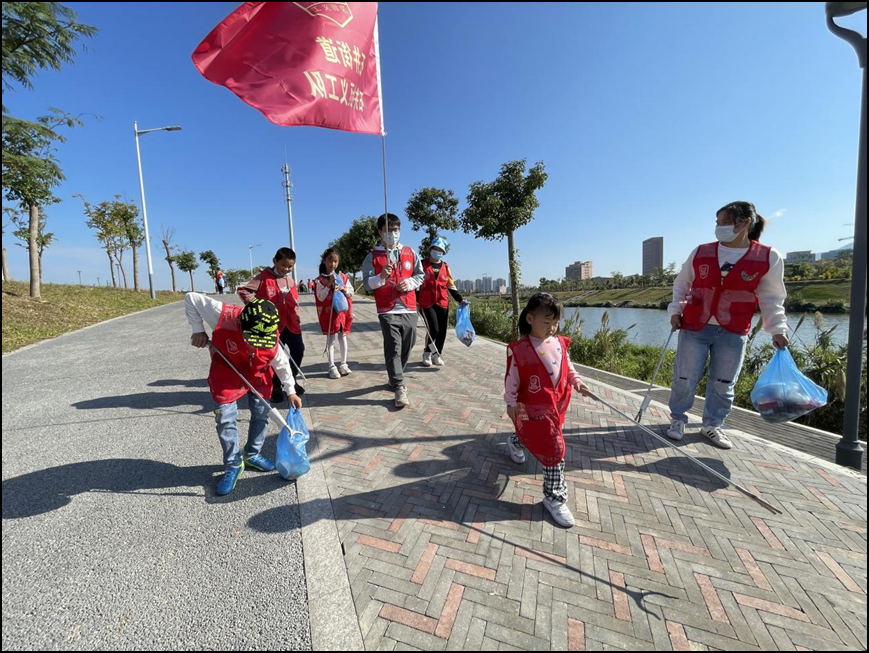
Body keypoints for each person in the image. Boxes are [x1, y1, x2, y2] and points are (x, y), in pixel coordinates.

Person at [666, 200, 788, 449]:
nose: (719, 227)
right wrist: (676, 310)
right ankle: (677, 419)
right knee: (684, 377)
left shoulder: (767, 257)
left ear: (745, 223)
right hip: (694, 325)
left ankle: (712, 424)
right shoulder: (701, 251)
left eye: (726, 223)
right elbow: (682, 283)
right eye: (717, 222)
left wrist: (778, 329)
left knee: (723, 381)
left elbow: (772, 296)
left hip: (733, 328)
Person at [185, 294, 302, 496]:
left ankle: (252, 453)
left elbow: (282, 366)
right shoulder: (222, 314)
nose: (256, 345)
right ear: (241, 322)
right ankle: (233, 464)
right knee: (225, 418)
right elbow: (190, 298)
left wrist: (290, 390)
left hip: (258, 374)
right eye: (252, 339)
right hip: (227, 372)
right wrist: (198, 330)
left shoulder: (270, 335)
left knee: (261, 414)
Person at [505, 293, 590, 528]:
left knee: (536, 436)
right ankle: (554, 497)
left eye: (556, 322)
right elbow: (512, 379)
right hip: (528, 406)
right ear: (530, 318)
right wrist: (511, 404)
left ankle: (515, 441)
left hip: (555, 405)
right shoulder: (520, 349)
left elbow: (568, 365)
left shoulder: (560, 343)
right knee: (555, 450)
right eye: (547, 322)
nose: (552, 328)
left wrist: (577, 381)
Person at [361, 212, 425, 408]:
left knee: (409, 343)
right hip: (387, 309)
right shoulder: (372, 256)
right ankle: (399, 386)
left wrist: (409, 283)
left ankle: (394, 375)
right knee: (393, 347)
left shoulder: (410, 252)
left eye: (395, 230)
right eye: (388, 230)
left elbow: (420, 275)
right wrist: (381, 276)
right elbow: (366, 284)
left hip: (409, 306)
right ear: (380, 232)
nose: (392, 233)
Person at [238, 248, 305, 402]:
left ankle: (291, 381)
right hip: (272, 326)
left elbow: (294, 301)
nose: (287, 269)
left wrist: (298, 316)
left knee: (298, 350)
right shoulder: (262, 277)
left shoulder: (290, 280)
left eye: (290, 267)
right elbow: (242, 289)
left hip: (291, 324)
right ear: (274, 261)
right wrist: (257, 306)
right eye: (284, 266)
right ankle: (275, 387)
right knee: (274, 356)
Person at [417, 236, 465, 367]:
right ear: (430, 249)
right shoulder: (421, 264)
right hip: (426, 303)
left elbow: (451, 285)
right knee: (434, 329)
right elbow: (416, 284)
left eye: (440, 250)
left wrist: (460, 299)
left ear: (443, 253)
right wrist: (415, 300)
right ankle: (427, 353)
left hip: (442, 302)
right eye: (435, 249)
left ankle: (436, 354)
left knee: (442, 331)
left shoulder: (445, 266)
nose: (437, 251)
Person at [315, 248, 354, 379]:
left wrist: (343, 288)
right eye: (330, 261)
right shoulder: (319, 280)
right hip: (329, 315)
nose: (333, 264)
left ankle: (343, 364)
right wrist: (329, 284)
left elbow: (351, 292)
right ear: (324, 261)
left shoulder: (343, 277)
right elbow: (320, 297)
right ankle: (331, 366)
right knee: (331, 339)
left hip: (342, 314)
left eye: (336, 261)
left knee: (343, 337)